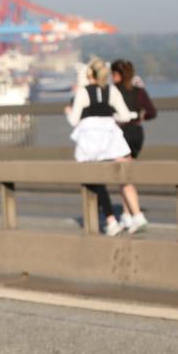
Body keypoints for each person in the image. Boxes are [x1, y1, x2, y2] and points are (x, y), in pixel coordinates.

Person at [66, 58, 135, 236]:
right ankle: (106, 218)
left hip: (89, 138)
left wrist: (67, 111)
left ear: (90, 74)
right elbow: (126, 116)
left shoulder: (83, 92)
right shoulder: (111, 90)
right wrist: (110, 116)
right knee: (99, 179)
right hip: (108, 137)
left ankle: (109, 219)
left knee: (93, 179)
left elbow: (74, 121)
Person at [111, 59, 156, 233]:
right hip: (137, 133)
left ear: (117, 74)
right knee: (127, 172)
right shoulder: (139, 91)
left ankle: (136, 216)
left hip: (121, 134)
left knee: (123, 176)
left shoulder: (114, 92)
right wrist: (139, 117)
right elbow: (152, 112)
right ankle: (126, 214)